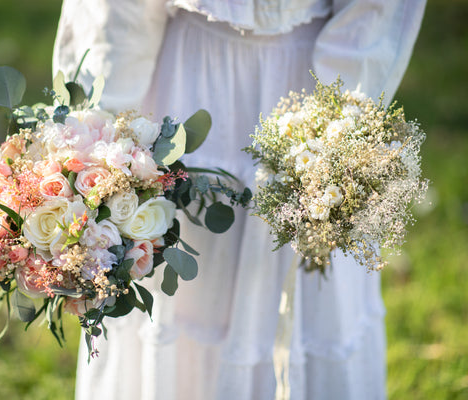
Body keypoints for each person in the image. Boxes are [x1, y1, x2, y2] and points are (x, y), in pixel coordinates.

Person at [53, 1, 426, 399]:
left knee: (302, 288)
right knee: (175, 279)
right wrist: (100, 131)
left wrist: (341, 113)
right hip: (183, 82)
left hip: (315, 78)